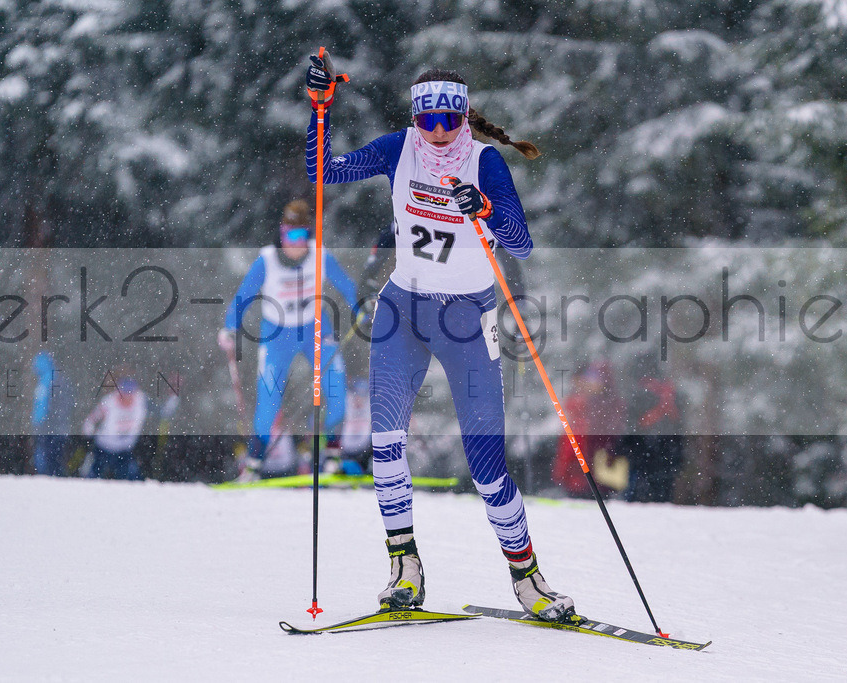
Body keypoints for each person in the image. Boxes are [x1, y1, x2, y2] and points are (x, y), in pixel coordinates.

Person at [305, 56, 578, 623]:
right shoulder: (397, 148)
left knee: (486, 467)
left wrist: (485, 210)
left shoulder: (484, 161)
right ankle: (404, 566)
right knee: (384, 445)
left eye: (448, 120)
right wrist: (320, 109)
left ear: (463, 116)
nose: (436, 133)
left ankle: (528, 579)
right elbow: (323, 173)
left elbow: (521, 244)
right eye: (426, 121)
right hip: (402, 310)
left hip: (466, 320)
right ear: (414, 118)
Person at [218, 199, 359, 481]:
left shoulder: (320, 256)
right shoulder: (267, 260)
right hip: (277, 335)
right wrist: (229, 328)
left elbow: (347, 286)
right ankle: (254, 466)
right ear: (280, 234)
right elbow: (243, 296)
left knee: (336, 389)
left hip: (315, 330)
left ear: (309, 235)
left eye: (300, 236)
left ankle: (332, 458)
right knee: (269, 400)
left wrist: (362, 308)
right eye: (287, 235)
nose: (294, 243)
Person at [552, 360, 627, 497]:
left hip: (594, 468)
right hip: (581, 467)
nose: (589, 383)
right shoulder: (583, 402)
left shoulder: (602, 404)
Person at [620, 354, 684, 503]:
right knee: (662, 497)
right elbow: (679, 426)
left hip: (644, 456)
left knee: (637, 497)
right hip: (665, 455)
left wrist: (625, 449)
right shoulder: (671, 394)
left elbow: (633, 426)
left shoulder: (641, 394)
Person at [81, 378, 148, 480]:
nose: (127, 398)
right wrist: (88, 432)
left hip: (125, 449)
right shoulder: (109, 402)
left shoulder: (141, 400)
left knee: (132, 478)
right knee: (94, 475)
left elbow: (162, 411)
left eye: (130, 395)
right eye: (124, 394)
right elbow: (92, 419)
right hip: (104, 446)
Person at [31, 351, 72, 476]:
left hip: (51, 428)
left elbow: (62, 405)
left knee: (49, 458)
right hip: (49, 428)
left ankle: (52, 480)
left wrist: (46, 422)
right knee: (50, 458)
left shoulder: (53, 380)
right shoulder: (46, 379)